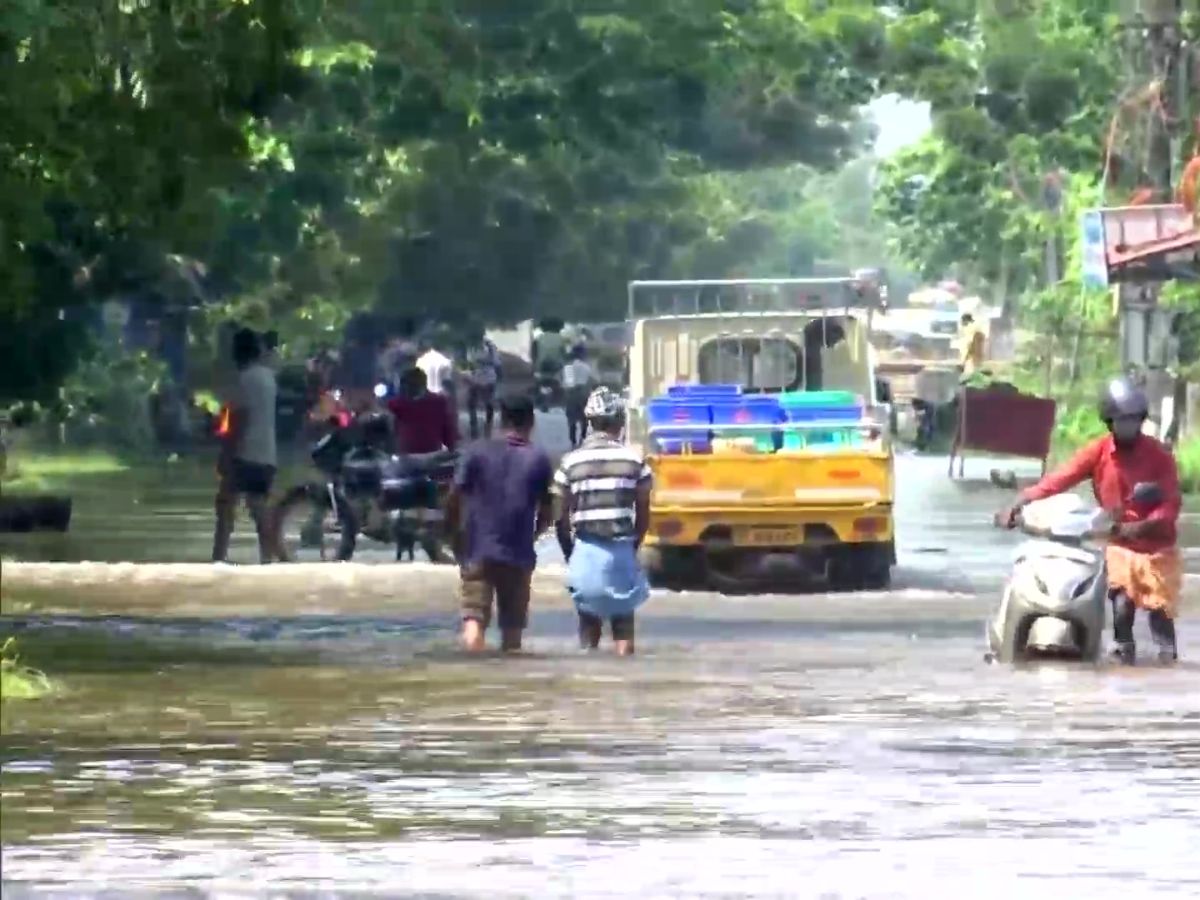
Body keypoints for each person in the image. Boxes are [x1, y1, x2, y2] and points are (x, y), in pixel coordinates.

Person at [995, 377, 1182, 664]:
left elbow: (1170, 505)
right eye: (1122, 420)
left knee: (1160, 613)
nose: (1128, 426)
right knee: (1121, 605)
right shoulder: (1098, 452)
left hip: (1157, 545)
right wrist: (1019, 501)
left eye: (1133, 420)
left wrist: (1144, 524)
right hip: (1119, 541)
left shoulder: (1159, 457)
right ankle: (1123, 654)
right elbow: (1059, 479)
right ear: (1110, 421)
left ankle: (1168, 663)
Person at [448, 394, 554, 653]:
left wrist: (454, 536)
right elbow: (548, 511)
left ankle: (475, 679)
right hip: (518, 554)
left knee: (474, 619)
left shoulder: (476, 452)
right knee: (512, 634)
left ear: (499, 419)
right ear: (531, 422)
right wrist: (532, 535)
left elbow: (453, 498)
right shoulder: (538, 458)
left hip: (477, 550)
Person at [552, 387, 653, 656]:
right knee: (623, 628)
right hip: (621, 549)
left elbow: (560, 518)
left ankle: (589, 686)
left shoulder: (570, 462)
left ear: (589, 423)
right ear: (620, 423)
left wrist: (571, 553)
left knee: (588, 629)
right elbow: (643, 515)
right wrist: (633, 547)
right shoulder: (634, 460)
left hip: (585, 551)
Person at [213, 328, 279, 563]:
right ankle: (267, 560)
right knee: (259, 509)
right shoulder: (268, 378)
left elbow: (239, 420)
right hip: (268, 455)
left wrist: (226, 455)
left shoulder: (244, 380)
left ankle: (218, 559)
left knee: (225, 506)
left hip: (245, 454)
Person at [386, 367, 458, 455]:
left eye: (410, 387)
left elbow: (447, 429)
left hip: (431, 456)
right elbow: (390, 428)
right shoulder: (397, 404)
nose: (406, 392)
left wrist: (452, 449)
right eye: (403, 388)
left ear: (421, 386)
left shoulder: (438, 403)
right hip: (406, 457)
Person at [464, 327, 503, 440]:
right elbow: (469, 363)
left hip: (487, 377)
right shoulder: (471, 346)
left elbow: (497, 363)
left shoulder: (490, 347)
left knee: (487, 403)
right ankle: (474, 427)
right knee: (472, 403)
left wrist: (499, 377)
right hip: (475, 377)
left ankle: (487, 427)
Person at [562, 344, 596, 447]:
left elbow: (566, 383)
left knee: (571, 419)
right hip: (583, 393)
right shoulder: (586, 367)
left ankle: (572, 441)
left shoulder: (567, 367)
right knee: (584, 418)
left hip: (571, 393)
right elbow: (591, 380)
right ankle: (582, 438)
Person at [958, 312, 986, 380]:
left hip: (974, 348)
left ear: (965, 320)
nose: (961, 323)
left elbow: (969, 343)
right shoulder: (977, 325)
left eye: (962, 321)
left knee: (972, 368)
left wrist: (963, 361)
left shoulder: (969, 327)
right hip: (978, 348)